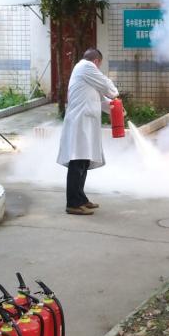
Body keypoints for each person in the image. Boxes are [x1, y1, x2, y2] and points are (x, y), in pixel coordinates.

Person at [57, 48, 120, 215]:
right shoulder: (86, 67)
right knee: (77, 162)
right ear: (96, 61)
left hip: (85, 124)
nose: (98, 69)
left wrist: (114, 107)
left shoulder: (84, 73)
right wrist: (115, 95)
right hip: (80, 123)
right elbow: (107, 87)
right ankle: (73, 203)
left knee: (83, 162)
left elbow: (100, 98)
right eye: (99, 65)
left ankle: (81, 199)